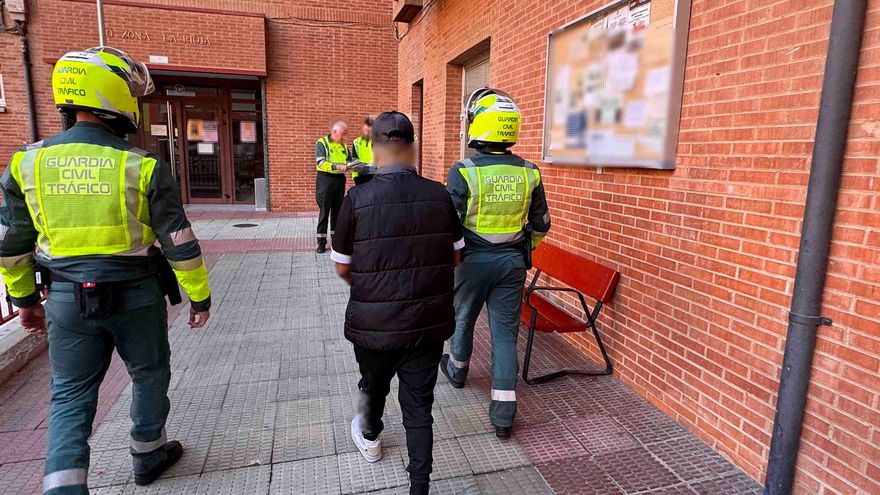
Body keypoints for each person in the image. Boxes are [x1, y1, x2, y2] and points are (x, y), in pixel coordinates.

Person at [0, 47, 212, 494]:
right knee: (150, 373)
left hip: (63, 297)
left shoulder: (27, 163)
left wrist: (23, 300)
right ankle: (148, 453)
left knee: (71, 394)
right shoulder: (142, 165)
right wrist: (199, 297)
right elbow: (178, 242)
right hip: (137, 294)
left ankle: (63, 487)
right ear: (115, 95)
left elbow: (12, 244)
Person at [331, 111, 463, 495]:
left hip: (375, 323)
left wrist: (373, 288)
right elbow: (456, 255)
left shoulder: (358, 199)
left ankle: (370, 437)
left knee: (373, 386)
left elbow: (342, 266)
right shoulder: (438, 194)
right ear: (410, 149)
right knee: (419, 407)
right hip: (427, 323)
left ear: (376, 151)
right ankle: (418, 487)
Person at [441, 88, 551, 439]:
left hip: (471, 263)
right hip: (511, 265)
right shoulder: (530, 172)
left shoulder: (464, 171)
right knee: (505, 336)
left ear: (480, 126)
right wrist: (522, 250)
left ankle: (457, 371)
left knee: (464, 318)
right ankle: (504, 415)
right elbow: (542, 225)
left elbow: (448, 226)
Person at [315, 121, 352, 254]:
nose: (344, 138)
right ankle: (321, 243)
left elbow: (349, 159)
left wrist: (352, 165)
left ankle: (335, 241)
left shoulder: (343, 146)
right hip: (326, 179)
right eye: (343, 135)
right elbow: (320, 163)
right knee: (325, 211)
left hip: (339, 180)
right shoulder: (322, 143)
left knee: (337, 211)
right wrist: (338, 167)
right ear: (334, 132)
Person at [351, 117, 375, 185]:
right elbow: (354, 160)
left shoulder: (377, 141)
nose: (366, 132)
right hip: (361, 177)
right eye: (365, 130)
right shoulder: (356, 142)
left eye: (369, 131)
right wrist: (355, 177)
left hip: (375, 176)